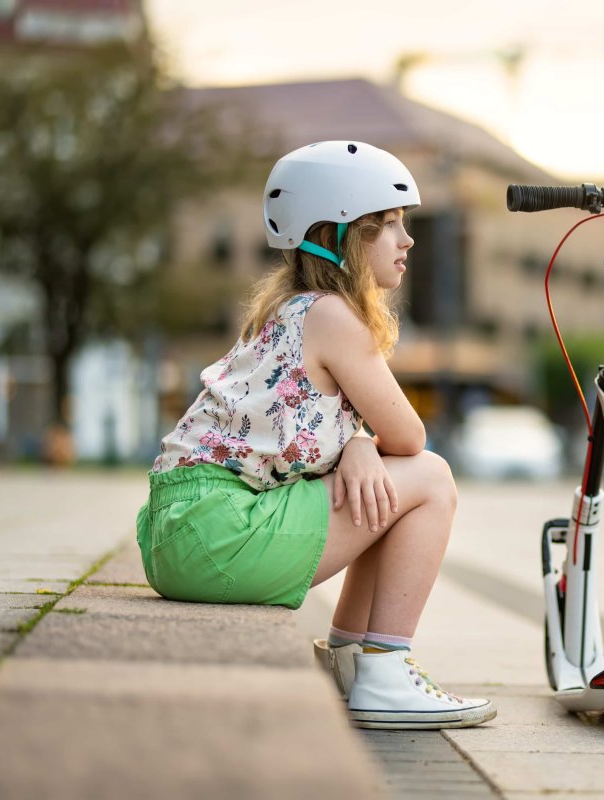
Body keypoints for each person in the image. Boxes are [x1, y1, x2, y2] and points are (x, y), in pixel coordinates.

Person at [135, 141, 495, 730]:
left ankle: (351, 662)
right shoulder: (333, 316)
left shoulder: (290, 310)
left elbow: (302, 431)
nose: (407, 241)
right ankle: (384, 668)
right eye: (390, 226)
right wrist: (363, 443)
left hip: (181, 528)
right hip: (217, 531)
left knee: (385, 485)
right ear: (341, 235)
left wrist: (356, 443)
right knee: (430, 478)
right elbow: (409, 436)